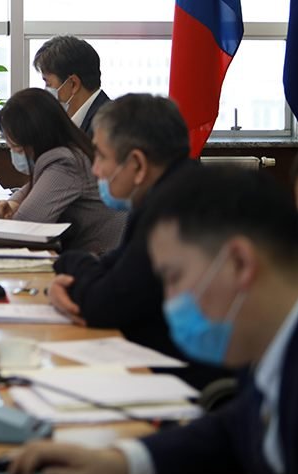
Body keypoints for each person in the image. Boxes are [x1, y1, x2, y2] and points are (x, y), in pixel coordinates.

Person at [10, 166, 298, 474]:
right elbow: (237, 428)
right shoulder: (269, 345)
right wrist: (121, 461)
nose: (169, 299)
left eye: (173, 277)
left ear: (239, 264)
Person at [47, 94, 228, 388]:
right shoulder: (174, 188)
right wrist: (72, 270)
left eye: (101, 156)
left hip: (178, 380)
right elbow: (119, 264)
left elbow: (104, 304)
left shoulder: (174, 210)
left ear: (137, 164)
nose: (95, 170)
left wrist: (68, 263)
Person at [0, 88, 125, 254]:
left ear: (34, 139)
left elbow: (24, 226)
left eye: (16, 147)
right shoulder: (69, 151)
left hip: (100, 260)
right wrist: (10, 205)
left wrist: (8, 213)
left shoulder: (65, 162)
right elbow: (31, 189)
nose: (13, 152)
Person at [33, 35, 110, 136]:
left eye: (48, 84)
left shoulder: (108, 126)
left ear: (73, 84)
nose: (46, 91)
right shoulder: (74, 123)